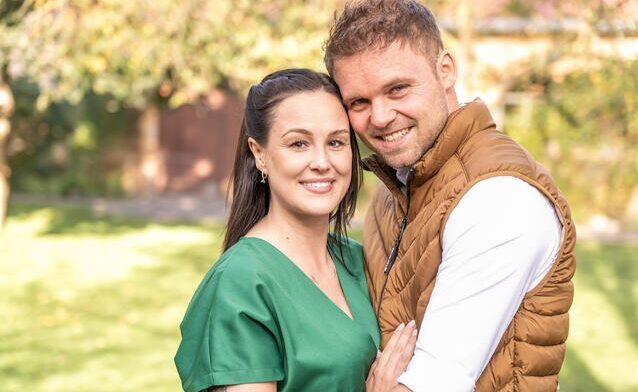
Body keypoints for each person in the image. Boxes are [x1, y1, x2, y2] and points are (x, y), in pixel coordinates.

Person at [323, 1, 576, 391]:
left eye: (398, 89)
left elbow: (433, 382)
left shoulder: (498, 200)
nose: (380, 117)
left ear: (445, 70)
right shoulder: (396, 190)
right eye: (359, 102)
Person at [174, 68, 417, 392]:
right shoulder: (241, 283)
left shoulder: (359, 260)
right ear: (259, 154)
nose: (321, 161)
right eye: (299, 143)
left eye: (335, 142)